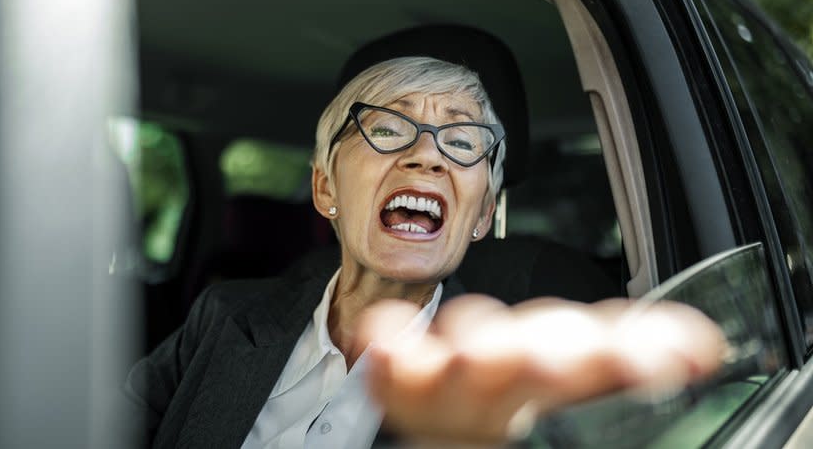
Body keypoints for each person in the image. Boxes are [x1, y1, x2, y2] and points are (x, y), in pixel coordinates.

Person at [122, 56, 726, 448]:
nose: (430, 156)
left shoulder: (505, 384)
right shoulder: (223, 316)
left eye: (463, 141)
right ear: (326, 188)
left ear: (482, 216)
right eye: (386, 128)